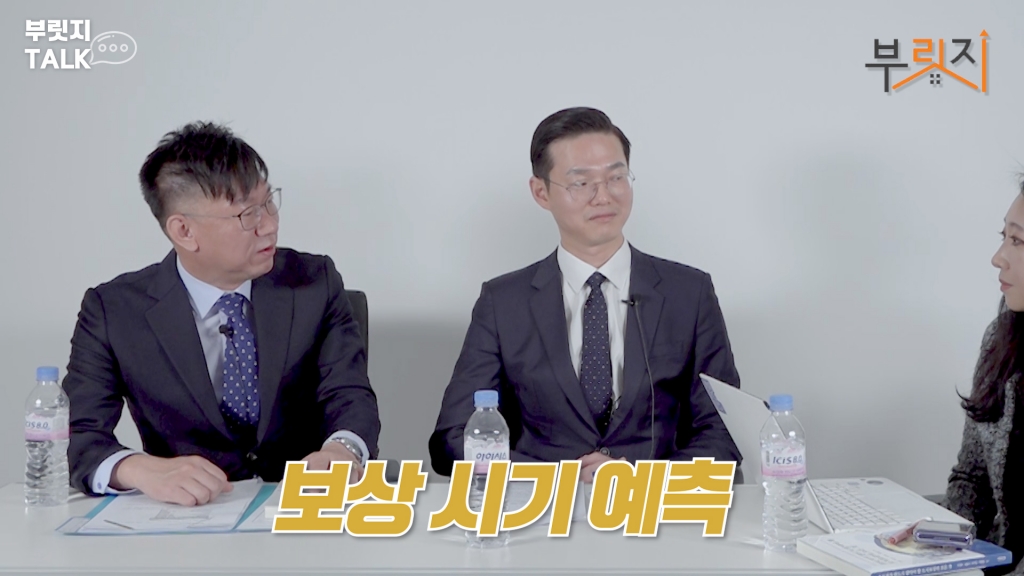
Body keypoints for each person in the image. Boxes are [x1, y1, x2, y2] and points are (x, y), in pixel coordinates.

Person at [65, 122, 380, 506]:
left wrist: (342, 450)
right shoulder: (114, 311)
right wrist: (139, 469)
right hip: (188, 515)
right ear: (184, 231)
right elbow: (79, 435)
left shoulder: (314, 282)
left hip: (305, 505)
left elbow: (349, 394)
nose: (269, 225)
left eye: (269, 202)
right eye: (248, 215)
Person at [429, 107, 741, 482]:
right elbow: (453, 439)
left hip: (655, 506)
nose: (603, 196)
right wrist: (557, 480)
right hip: (544, 508)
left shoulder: (688, 293)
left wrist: (638, 479)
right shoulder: (504, 302)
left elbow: (724, 433)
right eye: (581, 183)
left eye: (616, 177)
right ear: (541, 192)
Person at [945, 179, 1024, 575]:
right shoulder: (1000, 339)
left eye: (1018, 241)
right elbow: (971, 477)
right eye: (1003, 237)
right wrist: (945, 547)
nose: (998, 258)